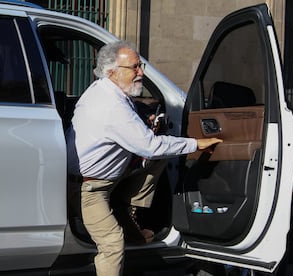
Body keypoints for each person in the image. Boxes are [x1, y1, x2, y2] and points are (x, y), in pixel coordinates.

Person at [65, 41, 222, 276]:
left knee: (158, 160)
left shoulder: (105, 90)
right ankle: (123, 219)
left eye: (141, 67)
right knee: (112, 244)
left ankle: (125, 211)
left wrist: (146, 120)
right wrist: (196, 144)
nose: (141, 73)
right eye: (135, 67)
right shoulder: (110, 105)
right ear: (112, 72)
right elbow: (149, 146)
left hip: (107, 180)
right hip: (90, 190)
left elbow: (135, 131)